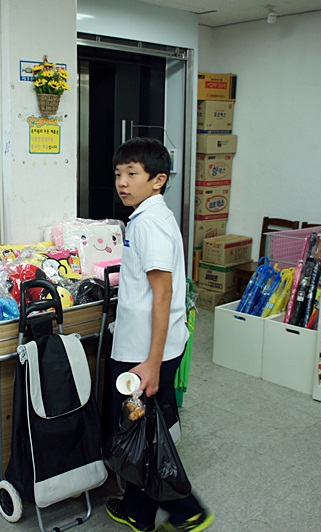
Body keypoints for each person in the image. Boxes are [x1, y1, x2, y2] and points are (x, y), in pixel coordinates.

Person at [105, 137, 214, 532]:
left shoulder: (149, 222)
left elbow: (163, 293)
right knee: (143, 426)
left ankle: (189, 510)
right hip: (156, 346)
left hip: (144, 352)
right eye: (119, 174)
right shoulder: (151, 215)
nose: (123, 182)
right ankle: (138, 509)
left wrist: (149, 363)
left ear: (158, 179)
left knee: (145, 434)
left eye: (133, 174)